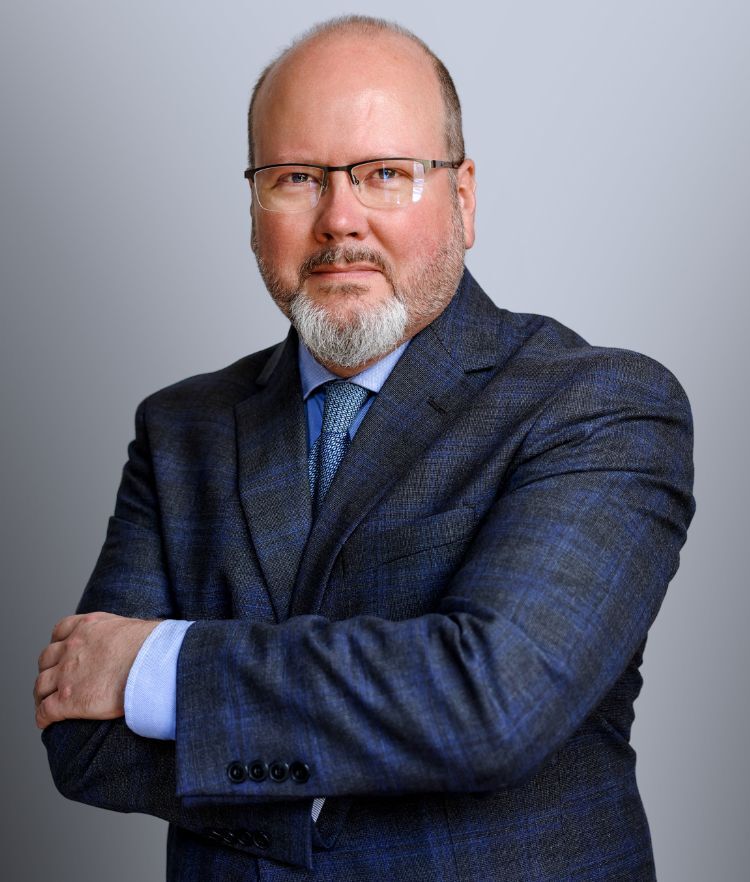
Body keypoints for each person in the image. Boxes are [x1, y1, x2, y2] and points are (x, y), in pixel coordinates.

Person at [34, 15, 695, 881]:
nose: (339, 219)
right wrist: (372, 743)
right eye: (296, 178)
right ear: (254, 207)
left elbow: (490, 703)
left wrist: (160, 666)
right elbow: (82, 740)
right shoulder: (180, 429)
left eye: (385, 173)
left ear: (463, 198)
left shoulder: (598, 406)